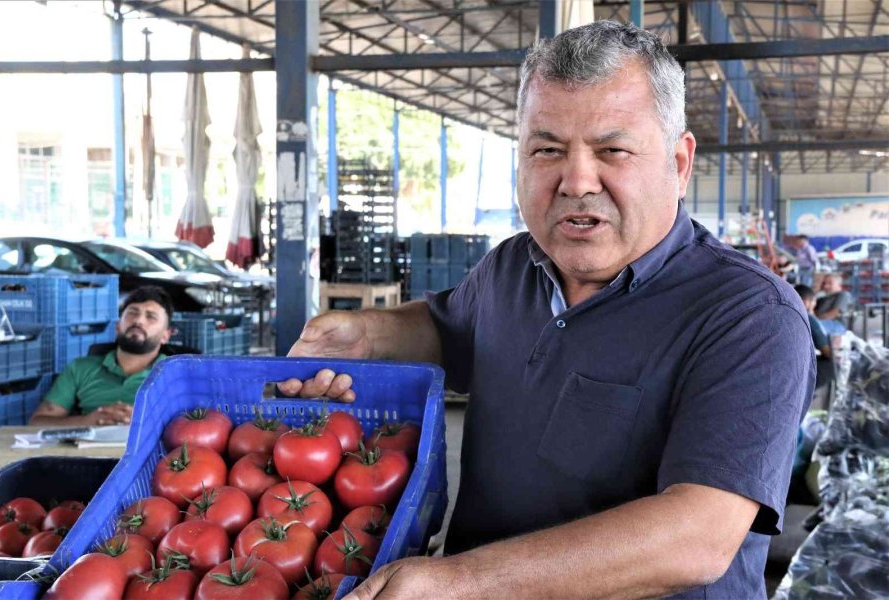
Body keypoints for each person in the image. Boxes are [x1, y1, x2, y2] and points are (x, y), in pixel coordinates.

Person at [281, 21, 814, 599]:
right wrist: (368, 335)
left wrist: (461, 583)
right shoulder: (513, 265)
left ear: (679, 163)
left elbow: (698, 536)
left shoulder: (750, 316)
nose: (577, 180)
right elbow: (450, 328)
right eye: (547, 150)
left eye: (612, 150)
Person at [29, 286, 174, 426]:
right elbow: (37, 423)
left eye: (151, 317)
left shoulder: (177, 375)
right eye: (132, 313)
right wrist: (87, 422)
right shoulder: (80, 368)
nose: (138, 321)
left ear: (166, 335)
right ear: (117, 327)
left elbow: (191, 428)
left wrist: (144, 423)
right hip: (86, 449)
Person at [795, 284, 831, 359]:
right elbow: (827, 352)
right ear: (806, 302)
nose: (815, 304)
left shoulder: (789, 314)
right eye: (814, 301)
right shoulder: (808, 319)